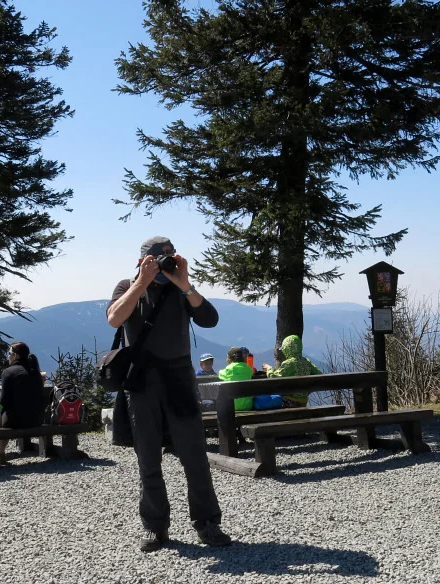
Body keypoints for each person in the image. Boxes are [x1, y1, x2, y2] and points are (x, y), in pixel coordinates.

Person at [106, 235, 232, 552]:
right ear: (142, 260)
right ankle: (155, 528)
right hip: (142, 383)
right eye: (159, 256)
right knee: (148, 459)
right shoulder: (127, 286)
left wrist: (185, 283)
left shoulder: (180, 289)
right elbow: (114, 318)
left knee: (195, 457)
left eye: (170, 255)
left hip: (179, 380)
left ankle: (208, 524)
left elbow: (210, 319)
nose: (166, 261)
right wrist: (142, 282)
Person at [0, 341, 46, 465]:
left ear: (16, 356)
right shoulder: (35, 372)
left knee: (6, 412)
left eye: (9, 353)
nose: (8, 356)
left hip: (15, 421)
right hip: (37, 419)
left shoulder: (8, 372)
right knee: (10, 411)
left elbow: (4, 401)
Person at [263, 334, 322, 407]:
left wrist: (269, 369)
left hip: (289, 402)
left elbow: (274, 378)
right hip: (303, 403)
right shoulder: (306, 362)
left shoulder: (290, 363)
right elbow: (320, 376)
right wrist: (307, 390)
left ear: (287, 349)